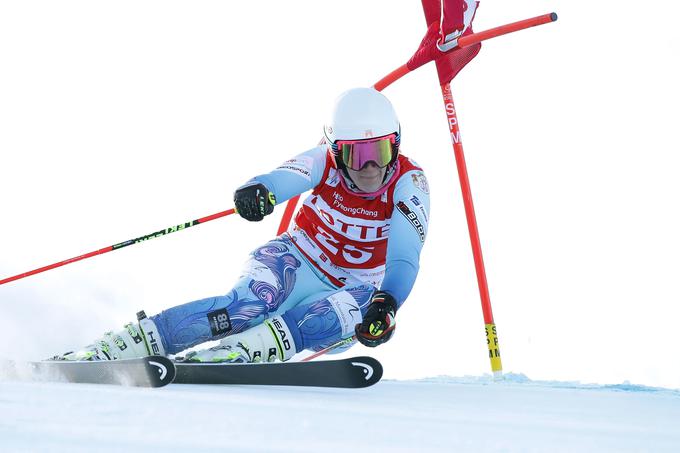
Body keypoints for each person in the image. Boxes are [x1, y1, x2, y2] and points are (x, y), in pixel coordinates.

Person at [56, 87, 431, 363]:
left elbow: (403, 258)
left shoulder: (410, 184)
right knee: (248, 307)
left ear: (396, 145)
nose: (370, 167)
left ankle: (237, 354)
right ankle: (123, 345)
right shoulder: (323, 161)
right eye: (356, 154)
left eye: (380, 151)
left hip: (355, 285)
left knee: (347, 312)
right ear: (336, 151)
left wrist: (387, 303)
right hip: (296, 260)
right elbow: (285, 177)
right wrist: (260, 191)